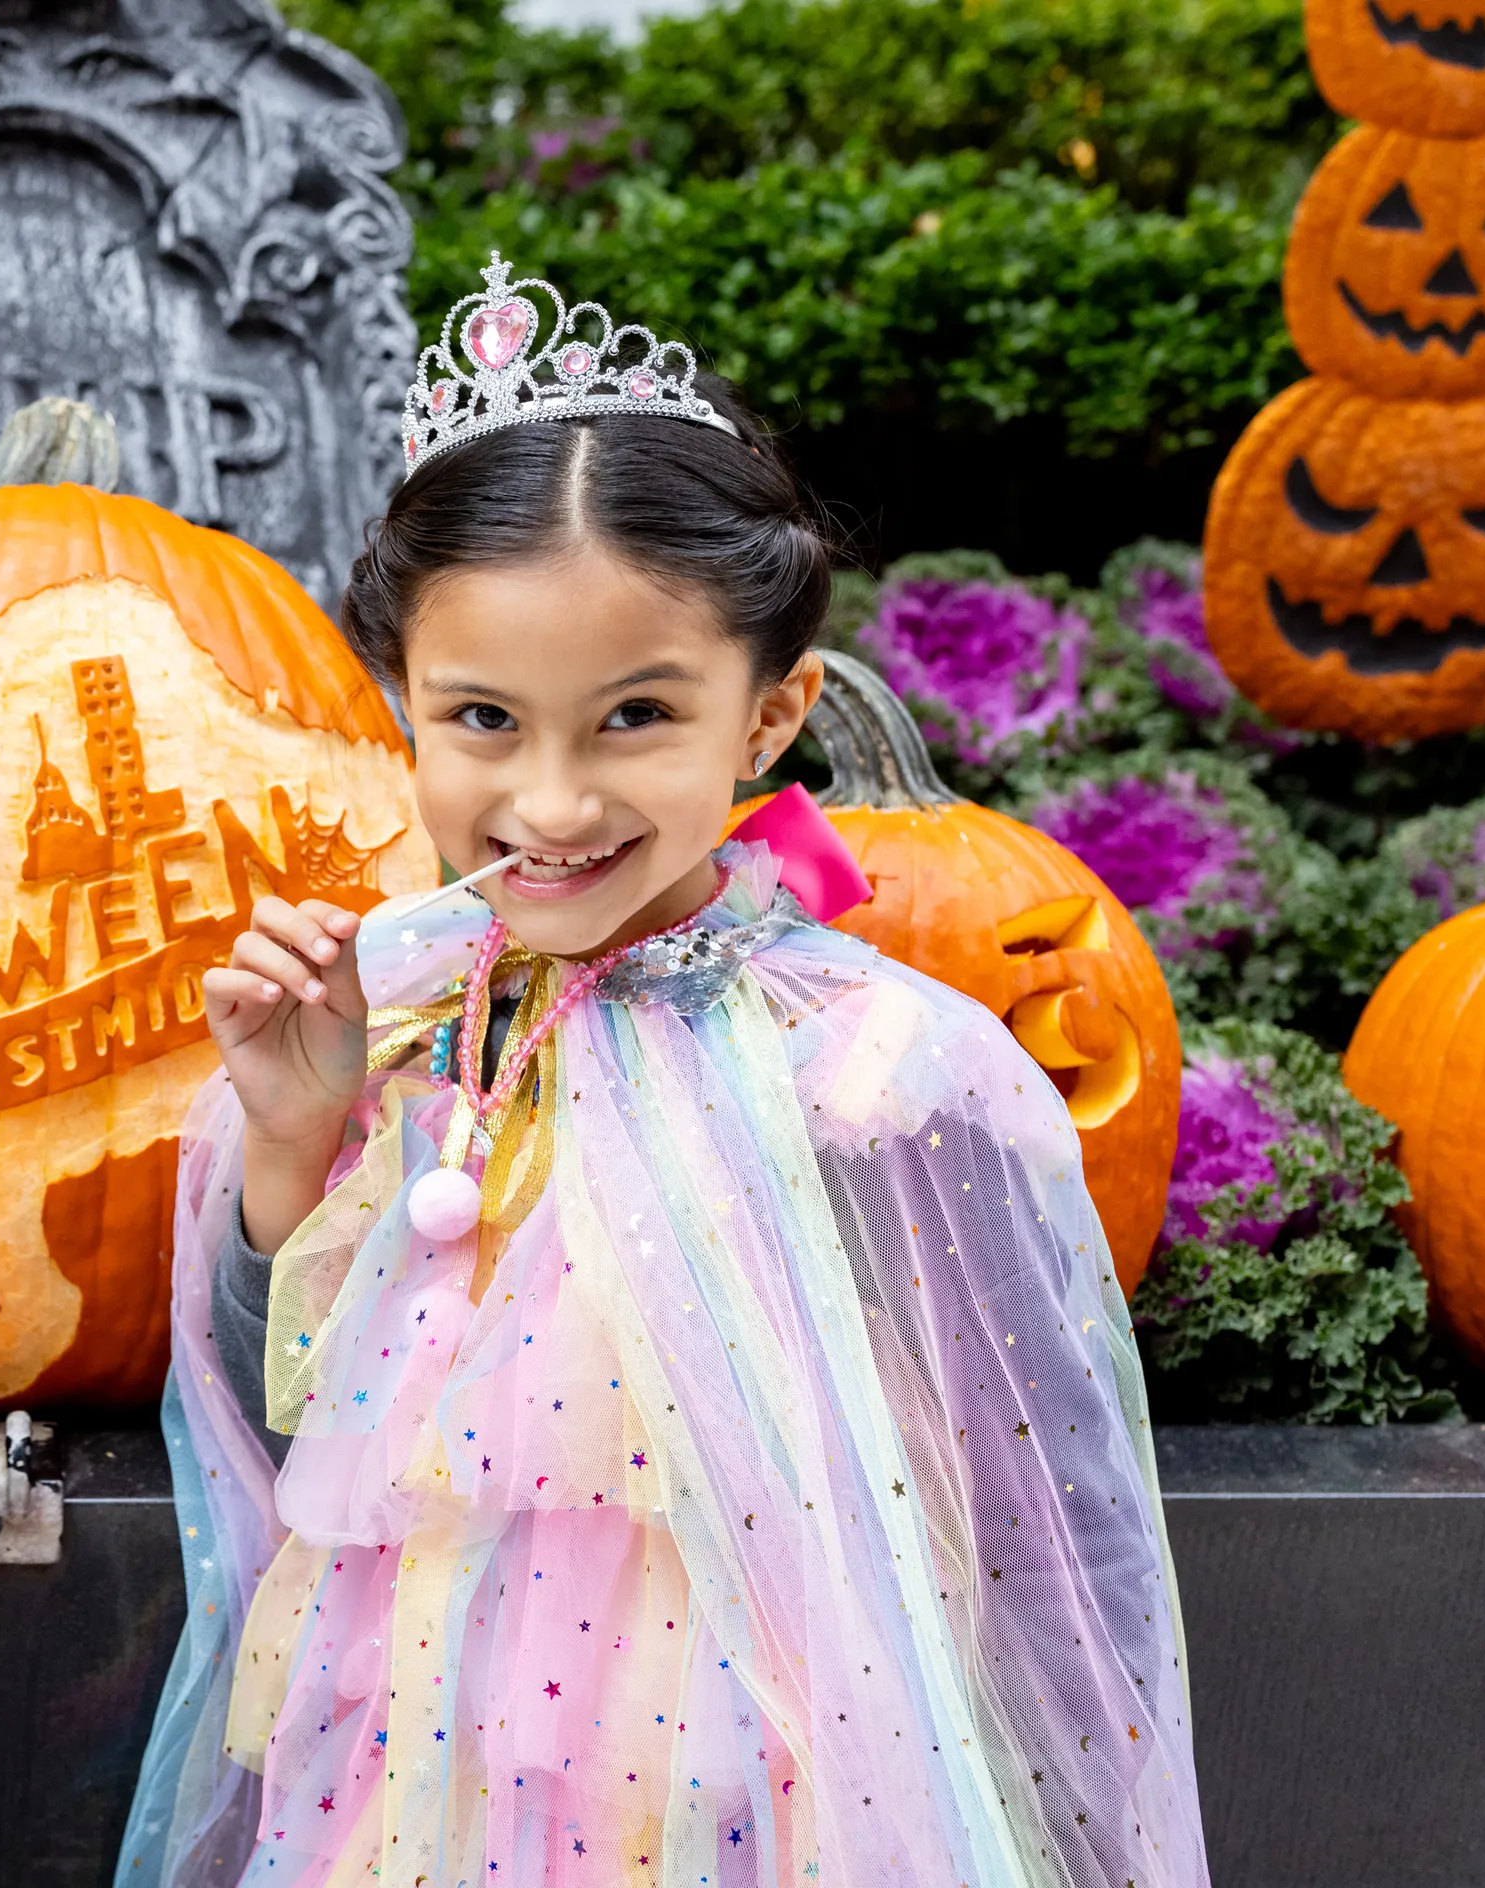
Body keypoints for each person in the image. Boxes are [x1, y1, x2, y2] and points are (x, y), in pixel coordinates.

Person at [119, 259, 1208, 1888]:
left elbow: (1035, 1514)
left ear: (770, 718)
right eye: (482, 718)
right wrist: (292, 1134)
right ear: (400, 711)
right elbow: (277, 1438)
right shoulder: (394, 1018)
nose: (550, 804)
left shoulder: (874, 1070)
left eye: (636, 716)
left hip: (728, 1780)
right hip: (417, 1758)